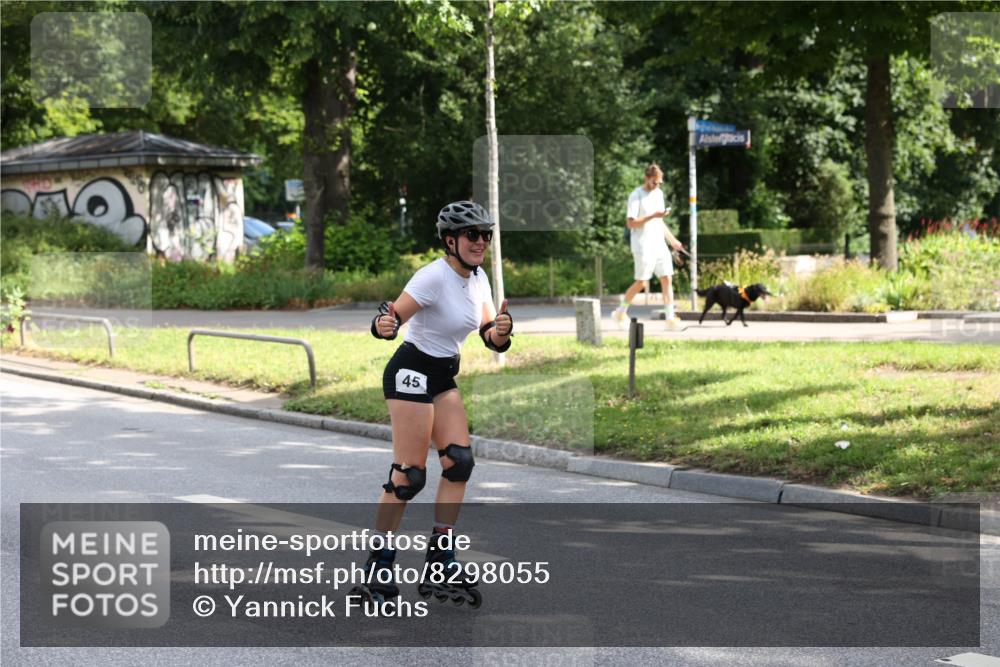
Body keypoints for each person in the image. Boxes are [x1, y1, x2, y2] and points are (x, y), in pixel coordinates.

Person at [360, 200, 513, 608]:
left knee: (460, 462)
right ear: (450, 240)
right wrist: (383, 324)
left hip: (443, 375)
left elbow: (487, 333)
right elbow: (388, 320)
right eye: (472, 235)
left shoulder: (478, 279)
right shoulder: (432, 276)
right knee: (409, 475)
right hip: (410, 370)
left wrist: (501, 331)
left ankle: (441, 559)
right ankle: (379, 563)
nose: (481, 242)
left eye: (486, 234)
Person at [613, 164, 685, 330]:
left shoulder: (658, 194)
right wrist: (653, 215)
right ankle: (620, 312)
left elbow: (660, 221)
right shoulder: (636, 195)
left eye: (659, 183)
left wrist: (672, 240)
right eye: (654, 182)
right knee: (642, 283)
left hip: (659, 244)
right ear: (647, 178)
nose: (657, 186)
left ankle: (670, 319)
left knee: (667, 278)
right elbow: (630, 223)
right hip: (643, 245)